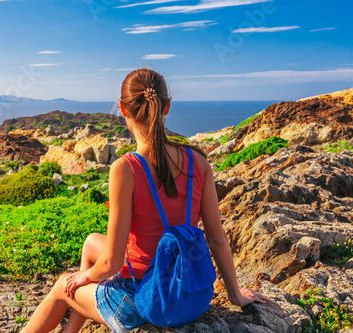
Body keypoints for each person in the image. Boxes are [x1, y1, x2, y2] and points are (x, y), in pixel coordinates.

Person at [20, 68, 269, 333]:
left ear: (123, 109)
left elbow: (111, 264)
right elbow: (217, 239)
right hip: (188, 292)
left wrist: (83, 277)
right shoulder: (198, 161)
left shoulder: (125, 169)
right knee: (91, 242)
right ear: (167, 107)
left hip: (140, 299)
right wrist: (236, 296)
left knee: (62, 285)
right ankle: (72, 330)